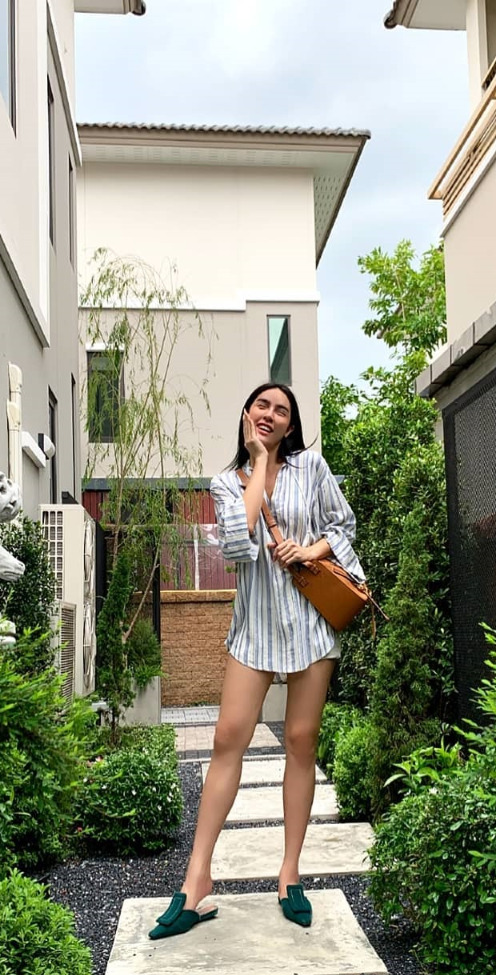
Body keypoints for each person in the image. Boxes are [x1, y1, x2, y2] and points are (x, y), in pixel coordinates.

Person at [149, 382, 365, 939]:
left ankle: (290, 874)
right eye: (262, 406)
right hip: (256, 629)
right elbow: (237, 546)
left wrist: (307, 550)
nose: (271, 414)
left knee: (301, 741)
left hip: (310, 623)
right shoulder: (227, 482)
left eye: (282, 411)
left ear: (292, 424)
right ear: (248, 414)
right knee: (228, 738)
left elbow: (342, 527)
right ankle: (197, 881)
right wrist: (261, 462)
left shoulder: (312, 468)